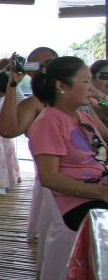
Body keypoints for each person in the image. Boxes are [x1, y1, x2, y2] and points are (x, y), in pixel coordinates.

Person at [28, 57, 108, 231]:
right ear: (61, 86)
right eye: (86, 81)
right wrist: (101, 192)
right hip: (80, 203)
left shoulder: (83, 116)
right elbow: (49, 177)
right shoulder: (49, 121)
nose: (91, 88)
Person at [0, 47, 59, 138]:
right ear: (30, 73)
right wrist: (12, 84)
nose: (44, 70)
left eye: (49, 64)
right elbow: (7, 131)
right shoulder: (34, 102)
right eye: (37, 67)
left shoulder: (78, 92)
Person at [88, 59, 108, 127]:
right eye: (105, 76)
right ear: (91, 77)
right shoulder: (85, 100)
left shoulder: (101, 100)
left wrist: (102, 97)